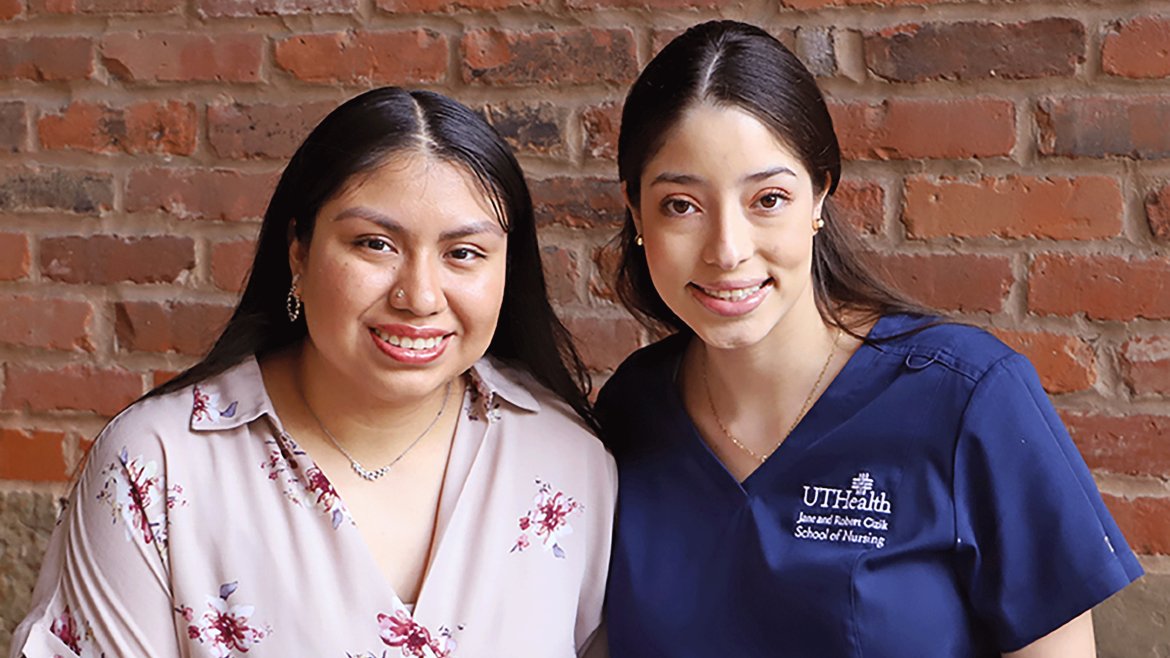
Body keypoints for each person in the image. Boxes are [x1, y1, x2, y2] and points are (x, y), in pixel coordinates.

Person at [596, 20, 1142, 658]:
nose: (727, 250)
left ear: (820, 197)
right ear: (637, 213)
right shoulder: (631, 410)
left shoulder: (967, 397)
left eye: (767, 199)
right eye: (681, 206)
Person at [11, 87, 616, 658]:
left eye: (463, 254)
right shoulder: (158, 465)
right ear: (298, 251)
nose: (420, 296)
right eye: (375, 244)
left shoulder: (566, 461)